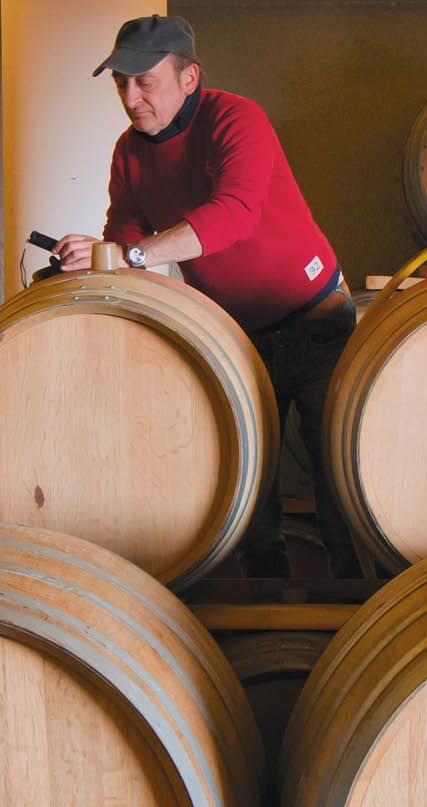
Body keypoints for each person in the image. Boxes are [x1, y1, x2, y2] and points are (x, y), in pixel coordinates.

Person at [55, 14, 361, 579]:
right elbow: (125, 240)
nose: (130, 96)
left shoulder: (236, 118)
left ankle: (355, 625)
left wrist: (132, 255)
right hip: (235, 338)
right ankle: (265, 640)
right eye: (120, 82)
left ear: (189, 78)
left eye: (145, 81)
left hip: (317, 323)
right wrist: (95, 262)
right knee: (248, 498)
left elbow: (233, 217)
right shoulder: (129, 153)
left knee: (339, 488)